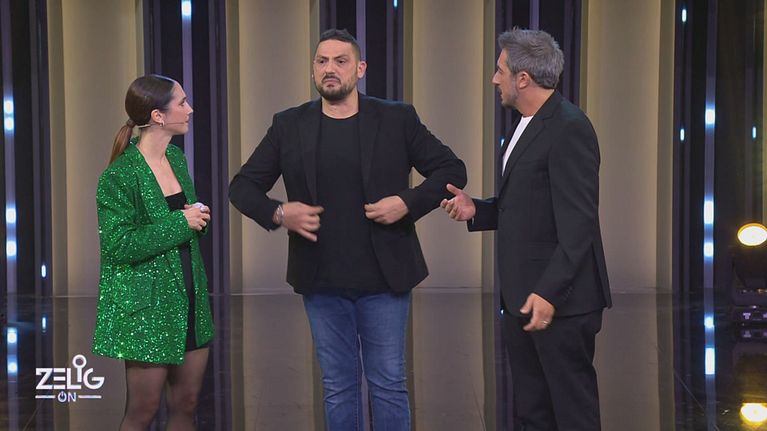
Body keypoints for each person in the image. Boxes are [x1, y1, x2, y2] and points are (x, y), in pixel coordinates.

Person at [229, 29, 466, 430]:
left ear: (360, 69)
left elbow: (451, 169)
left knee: (388, 383)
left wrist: (407, 202)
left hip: (385, 277)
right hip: (321, 279)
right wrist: (279, 212)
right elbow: (242, 187)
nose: (330, 69)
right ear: (313, 70)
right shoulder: (289, 125)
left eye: (340, 61)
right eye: (322, 61)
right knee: (338, 387)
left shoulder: (396, 118)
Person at [441, 28, 611, 430]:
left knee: (572, 413)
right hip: (524, 296)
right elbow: (528, 207)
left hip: (561, 302)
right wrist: (478, 209)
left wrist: (549, 292)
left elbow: (578, 225)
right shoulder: (525, 124)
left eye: (500, 70)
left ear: (523, 78)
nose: (494, 79)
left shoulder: (569, 128)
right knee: (533, 412)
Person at [92, 74, 214, 430]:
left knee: (187, 404)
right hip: (148, 308)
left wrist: (197, 218)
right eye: (182, 103)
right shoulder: (119, 176)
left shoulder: (176, 158)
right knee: (143, 410)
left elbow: (184, 220)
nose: (190, 109)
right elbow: (118, 245)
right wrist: (181, 223)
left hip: (189, 298)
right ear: (158, 116)